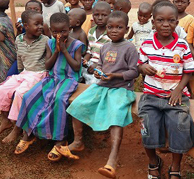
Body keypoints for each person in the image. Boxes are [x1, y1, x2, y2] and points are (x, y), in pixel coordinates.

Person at [56, 11, 138, 179]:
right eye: (110, 27)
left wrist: (114, 76)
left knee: (117, 117)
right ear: (106, 28)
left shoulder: (129, 47)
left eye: (119, 27)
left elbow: (134, 72)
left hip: (121, 89)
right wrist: (96, 71)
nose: (114, 30)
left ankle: (112, 160)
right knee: (76, 105)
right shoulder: (105, 47)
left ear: (126, 28)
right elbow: (100, 64)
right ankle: (78, 141)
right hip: (102, 86)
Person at [138, 2, 194, 179]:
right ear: (153, 23)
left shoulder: (182, 45)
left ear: (177, 23)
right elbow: (140, 63)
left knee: (179, 126)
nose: (166, 24)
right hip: (151, 95)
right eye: (160, 20)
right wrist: (143, 68)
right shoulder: (147, 44)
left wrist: (179, 89)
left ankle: (175, 166)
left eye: (171, 20)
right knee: (146, 126)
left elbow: (188, 70)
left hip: (175, 96)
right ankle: (153, 162)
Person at [15, 13, 84, 162]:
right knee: (29, 96)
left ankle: (60, 140)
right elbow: (47, 65)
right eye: (55, 32)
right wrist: (57, 51)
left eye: (63, 31)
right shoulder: (50, 43)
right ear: (51, 30)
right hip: (52, 78)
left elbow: (77, 66)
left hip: (69, 79)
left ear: (70, 29)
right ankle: (28, 133)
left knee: (58, 99)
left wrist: (64, 50)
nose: (59, 35)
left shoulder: (76, 45)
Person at [0, 10, 49, 144]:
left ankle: (17, 128)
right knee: (2, 89)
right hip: (25, 73)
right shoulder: (19, 40)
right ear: (26, 26)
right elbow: (20, 58)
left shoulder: (45, 40)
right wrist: (20, 74)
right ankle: (5, 120)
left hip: (39, 73)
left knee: (21, 94)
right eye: (36, 24)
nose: (40, 26)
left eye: (41, 23)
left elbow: (49, 62)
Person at [82, 2, 111, 84]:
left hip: (105, 66)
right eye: (96, 15)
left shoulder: (111, 34)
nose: (100, 18)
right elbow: (89, 51)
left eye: (104, 15)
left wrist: (97, 65)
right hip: (90, 64)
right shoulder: (91, 31)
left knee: (94, 82)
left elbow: (111, 57)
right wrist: (85, 60)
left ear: (110, 15)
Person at [0, 0, 16, 84]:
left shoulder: (0, 21)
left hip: (7, 55)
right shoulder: (6, 17)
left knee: (4, 78)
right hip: (11, 52)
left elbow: (1, 38)